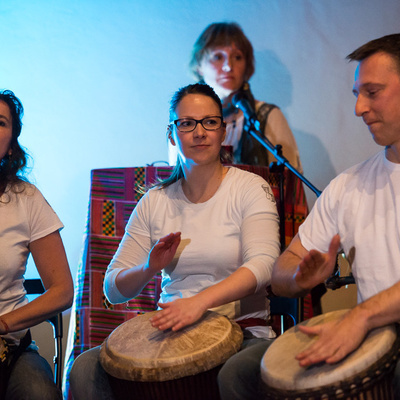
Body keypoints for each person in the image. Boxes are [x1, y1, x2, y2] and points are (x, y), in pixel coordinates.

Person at [69, 82, 280, 399]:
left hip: (243, 331)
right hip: (173, 332)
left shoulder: (250, 188)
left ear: (222, 131)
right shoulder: (155, 201)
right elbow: (112, 287)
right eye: (186, 123)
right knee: (86, 368)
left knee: (235, 372)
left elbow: (264, 265)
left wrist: (199, 302)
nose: (199, 132)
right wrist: (149, 267)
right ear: (172, 134)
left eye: (210, 122)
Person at [218, 33, 400, 399]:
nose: (359, 108)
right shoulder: (348, 186)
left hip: (372, 326)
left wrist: (360, 316)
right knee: (238, 374)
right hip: (371, 331)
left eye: (373, 91)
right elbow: (283, 270)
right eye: (356, 94)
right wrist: (300, 276)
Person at [0, 90, 74, 399]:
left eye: (1, 122)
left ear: (11, 141)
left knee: (39, 393)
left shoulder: (26, 198)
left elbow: (62, 291)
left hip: (10, 346)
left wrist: (4, 324)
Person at [169, 21, 302, 172]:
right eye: (218, 57)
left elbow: (290, 186)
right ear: (199, 66)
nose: (228, 66)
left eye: (237, 57)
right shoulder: (182, 118)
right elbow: (178, 177)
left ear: (246, 66)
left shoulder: (267, 116)